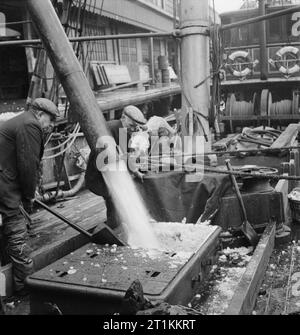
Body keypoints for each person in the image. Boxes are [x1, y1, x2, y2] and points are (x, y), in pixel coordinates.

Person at [0, 97, 58, 296]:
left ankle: (8, 274)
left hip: (5, 180)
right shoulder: (30, 125)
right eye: (50, 120)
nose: (50, 125)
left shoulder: (22, 120)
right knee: (18, 234)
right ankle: (25, 290)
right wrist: (28, 196)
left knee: (9, 230)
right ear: (40, 114)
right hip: (5, 185)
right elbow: (28, 165)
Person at [85, 105, 147, 230]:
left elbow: (127, 156)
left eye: (136, 127)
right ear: (123, 118)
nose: (133, 129)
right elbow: (104, 158)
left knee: (118, 200)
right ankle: (114, 229)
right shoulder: (109, 129)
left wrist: (136, 173)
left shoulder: (126, 131)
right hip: (99, 175)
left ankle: (120, 227)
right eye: (131, 126)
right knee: (114, 200)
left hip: (114, 173)